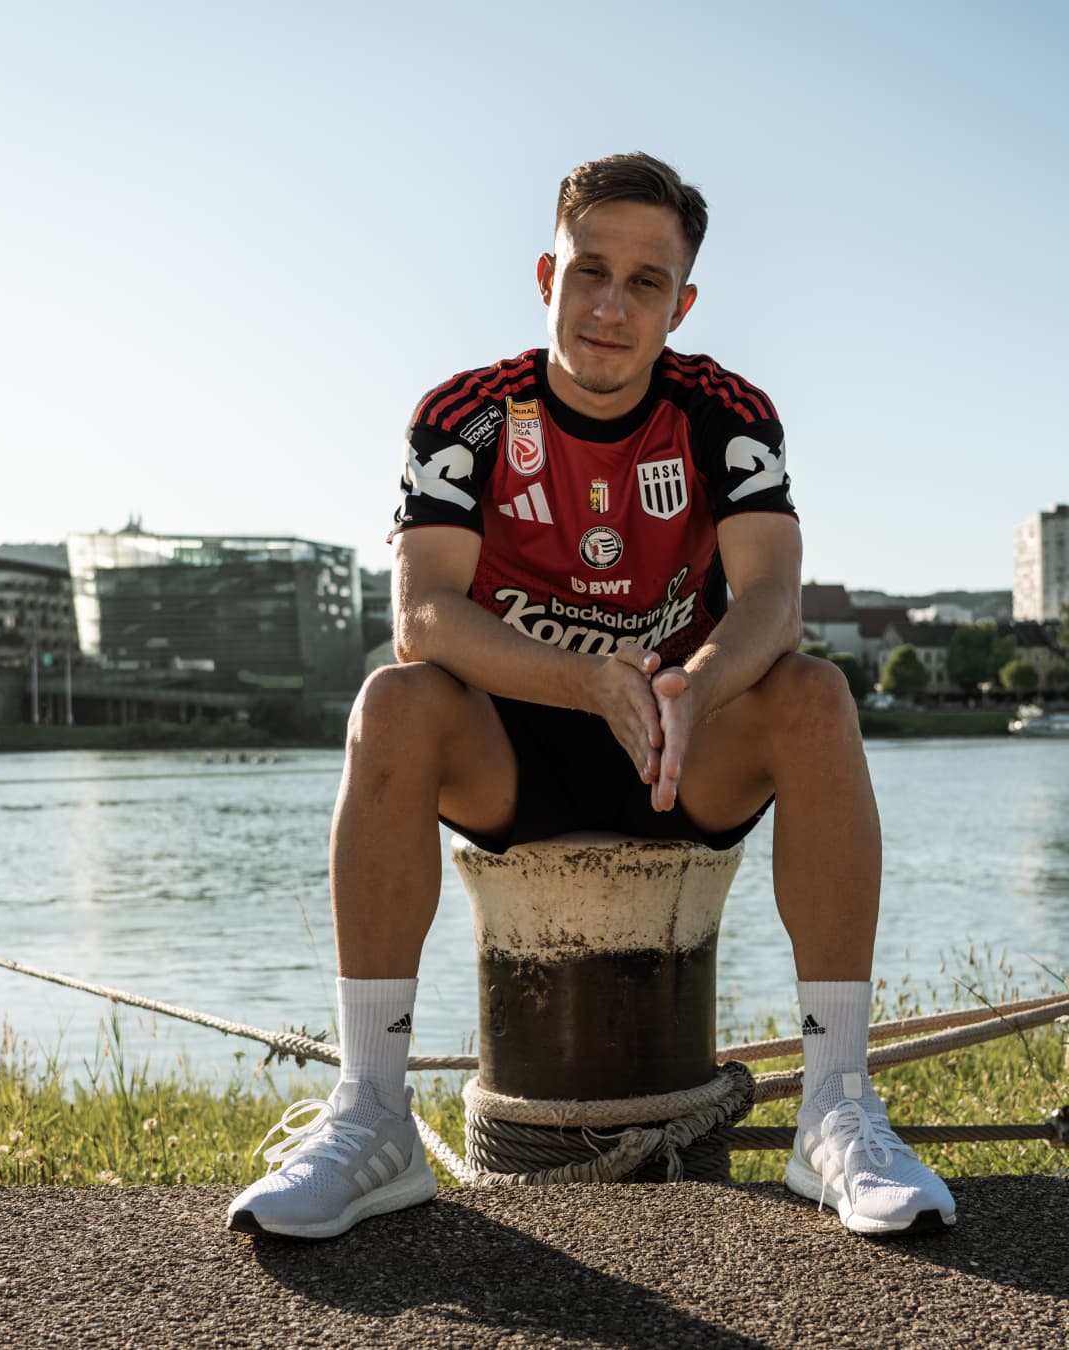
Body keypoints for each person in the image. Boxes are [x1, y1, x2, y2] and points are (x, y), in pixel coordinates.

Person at [228, 151, 956, 1240]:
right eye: (589, 272)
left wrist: (698, 683)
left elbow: (773, 597)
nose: (611, 307)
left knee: (814, 695)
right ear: (546, 276)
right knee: (393, 701)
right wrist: (583, 678)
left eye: (646, 282)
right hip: (510, 749)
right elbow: (423, 614)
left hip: (678, 745)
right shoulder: (469, 416)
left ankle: (836, 1110)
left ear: (682, 304)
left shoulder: (724, 412)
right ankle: (373, 1113)